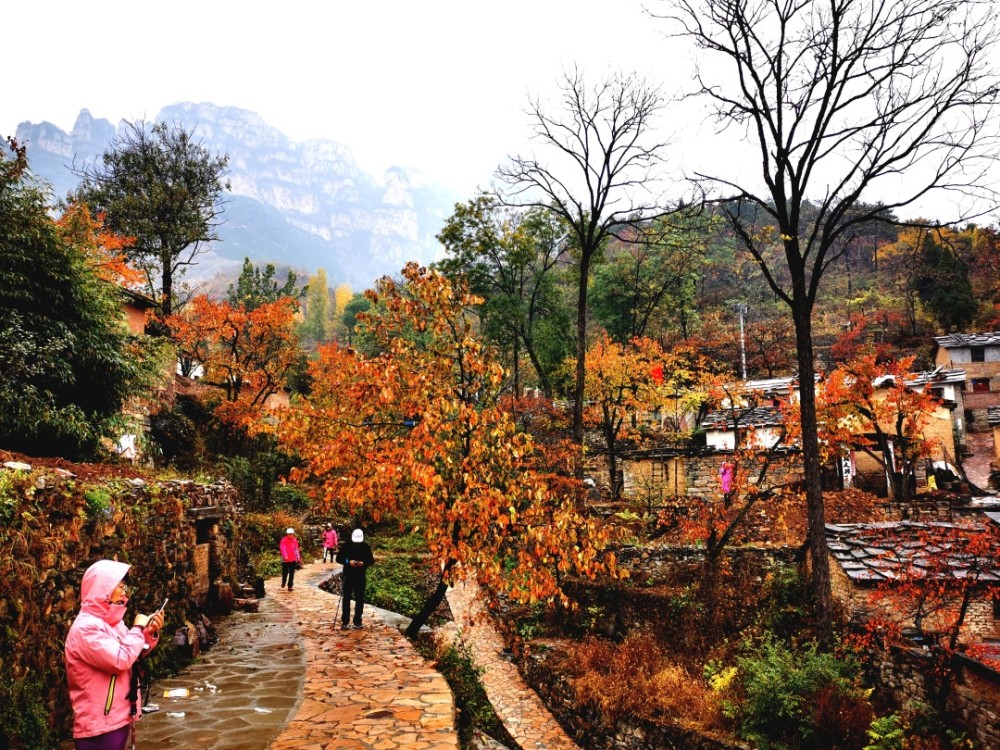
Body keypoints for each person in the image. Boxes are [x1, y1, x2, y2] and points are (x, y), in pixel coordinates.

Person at [64, 559, 164, 750]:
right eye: (120, 586)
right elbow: (120, 659)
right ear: (104, 588)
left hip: (117, 715)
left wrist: (148, 633)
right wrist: (137, 627)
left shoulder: (113, 622)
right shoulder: (86, 629)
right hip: (100, 724)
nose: (125, 592)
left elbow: (132, 653)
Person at [335, 528, 375, 629]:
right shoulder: (347, 546)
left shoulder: (365, 547)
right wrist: (348, 562)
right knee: (346, 598)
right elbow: (338, 558)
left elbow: (371, 560)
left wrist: (363, 563)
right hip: (348, 575)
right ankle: (345, 621)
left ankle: (357, 621)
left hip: (360, 576)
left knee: (359, 599)